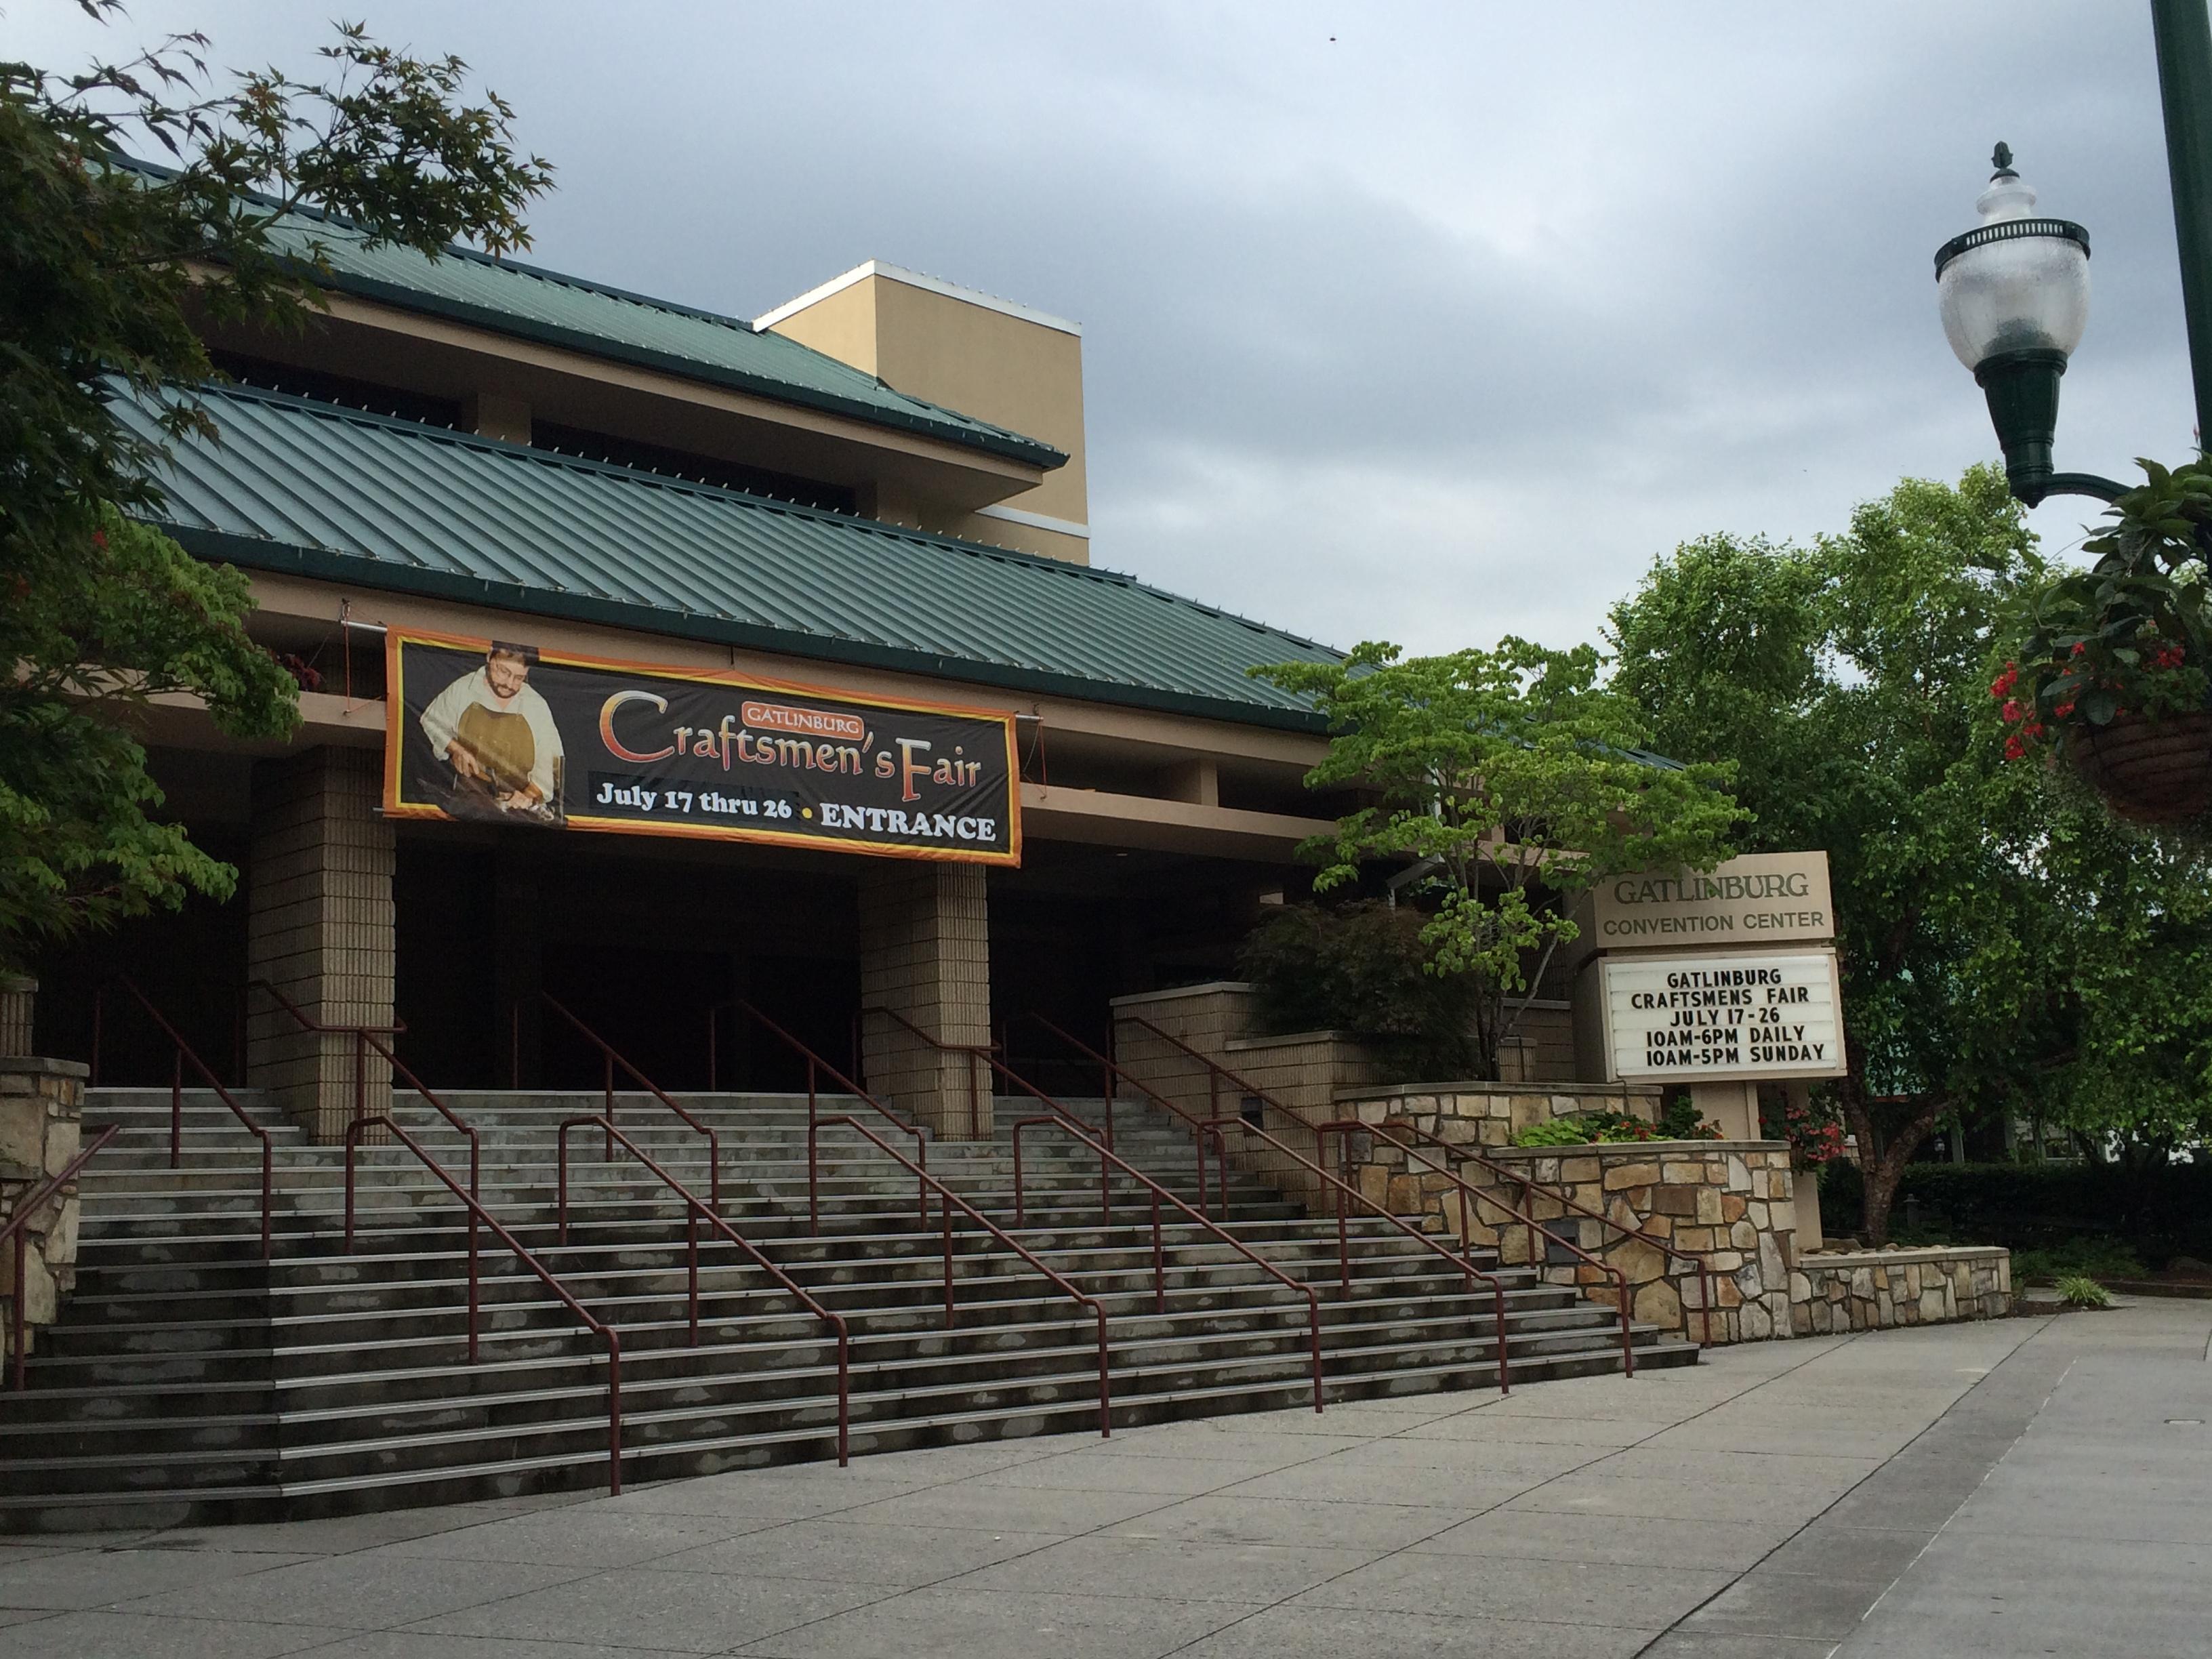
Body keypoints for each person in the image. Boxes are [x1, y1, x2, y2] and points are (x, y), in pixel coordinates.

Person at [418, 642, 565, 821]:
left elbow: (549, 763)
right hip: (468, 805)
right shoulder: (463, 690)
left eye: (519, 678)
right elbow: (430, 722)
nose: (509, 684)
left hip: (518, 815)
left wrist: (528, 795)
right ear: (490, 657)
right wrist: (456, 749)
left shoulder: (536, 705)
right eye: (504, 672)